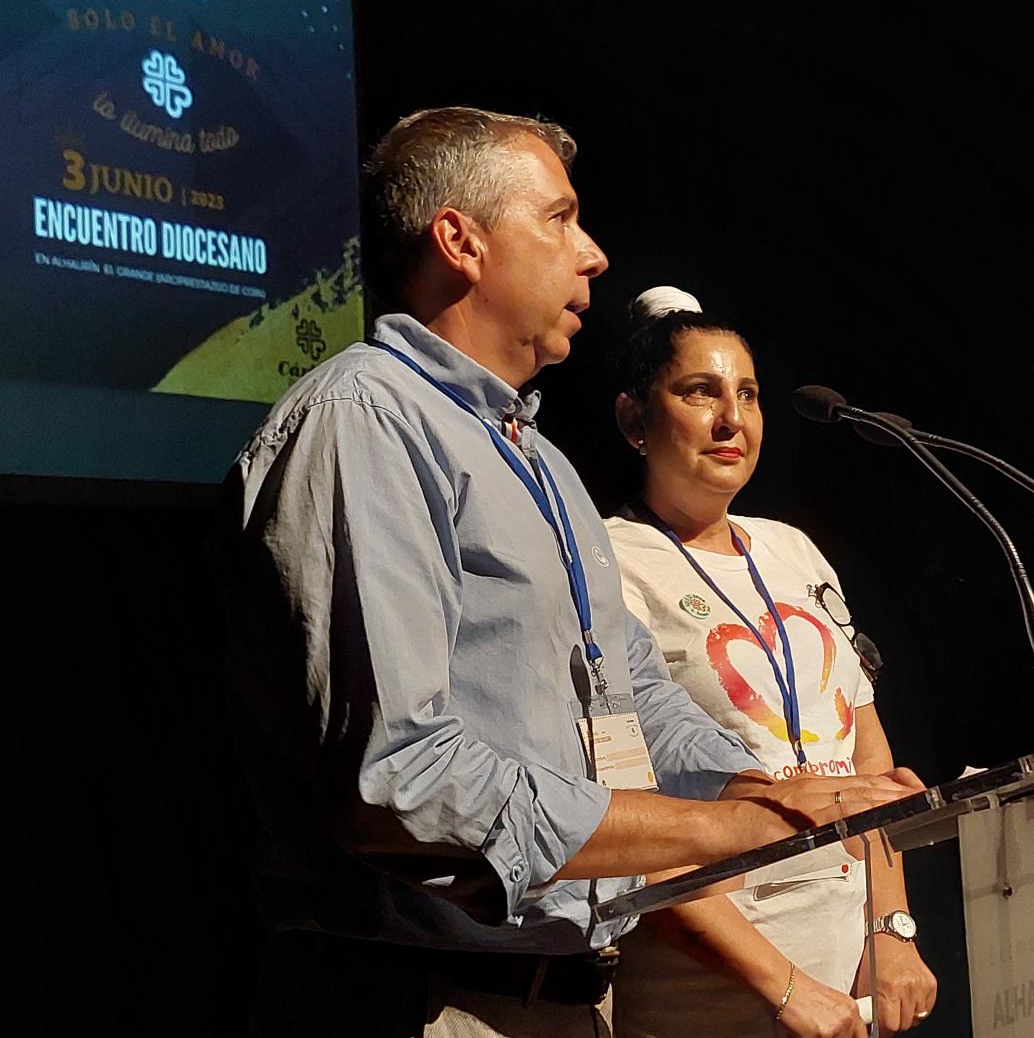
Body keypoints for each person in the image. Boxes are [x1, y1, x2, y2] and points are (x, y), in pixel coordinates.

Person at [221, 108, 920, 1038]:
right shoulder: (366, 422)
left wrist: (767, 792)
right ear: (461, 241)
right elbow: (400, 777)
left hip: (568, 993)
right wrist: (722, 830)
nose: (593, 256)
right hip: (421, 997)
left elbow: (630, 698)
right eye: (559, 219)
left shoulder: (540, 462)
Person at [604, 287, 939, 1036]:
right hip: (706, 988)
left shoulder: (793, 549)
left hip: (850, 975)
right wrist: (784, 987)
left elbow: (869, 757)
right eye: (700, 392)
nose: (732, 420)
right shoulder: (602, 562)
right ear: (635, 419)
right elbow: (624, 820)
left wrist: (893, 931)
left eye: (747, 395)